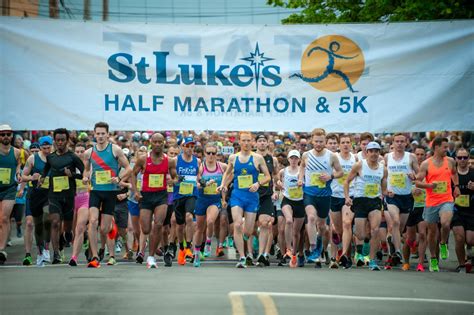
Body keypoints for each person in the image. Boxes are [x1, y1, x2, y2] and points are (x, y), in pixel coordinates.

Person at [82, 122, 132, 268]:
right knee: (92, 222)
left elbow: (128, 168)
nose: (100, 136)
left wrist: (119, 179)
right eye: (98, 133)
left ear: (108, 134)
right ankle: (95, 256)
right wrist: (86, 177)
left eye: (103, 133)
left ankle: (111, 254)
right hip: (96, 191)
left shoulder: (115, 150)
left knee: (104, 228)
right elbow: (86, 170)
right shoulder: (89, 153)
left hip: (110, 192)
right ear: (94, 134)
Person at [218, 132, 271, 268]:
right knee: (237, 224)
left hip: (252, 198)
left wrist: (258, 184)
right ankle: (242, 257)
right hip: (237, 196)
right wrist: (223, 184)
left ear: (251, 142)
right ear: (239, 142)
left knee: (248, 231)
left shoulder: (258, 158)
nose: (246, 143)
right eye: (243, 140)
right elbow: (227, 173)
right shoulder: (233, 158)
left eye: (248, 141)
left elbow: (267, 176)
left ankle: (245, 243)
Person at [131, 133, 177, 268]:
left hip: (161, 196)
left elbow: (176, 178)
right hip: (146, 196)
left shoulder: (169, 160)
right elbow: (133, 174)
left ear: (164, 143)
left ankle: (151, 257)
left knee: (158, 224)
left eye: (160, 142)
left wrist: (172, 181)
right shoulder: (143, 159)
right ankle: (150, 245)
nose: (157, 144)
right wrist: (136, 191)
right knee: (145, 229)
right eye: (155, 142)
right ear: (151, 143)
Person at [298, 128, 343, 265]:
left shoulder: (331, 156)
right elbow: (302, 167)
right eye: (316, 141)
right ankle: (313, 249)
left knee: (323, 227)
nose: (318, 144)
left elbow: (340, 172)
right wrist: (301, 179)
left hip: (325, 194)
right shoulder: (306, 155)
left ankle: (319, 247)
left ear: (325, 141)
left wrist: (330, 176)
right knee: (311, 217)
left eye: (321, 141)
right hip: (309, 192)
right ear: (312, 140)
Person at [40, 128, 84, 264]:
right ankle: (56, 254)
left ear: (67, 141)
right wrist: (42, 177)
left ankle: (66, 236)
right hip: (54, 195)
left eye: (62, 140)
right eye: (57, 140)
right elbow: (46, 168)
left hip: (69, 195)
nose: (60, 142)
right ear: (54, 141)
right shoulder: (51, 157)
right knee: (55, 222)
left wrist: (73, 175)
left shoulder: (73, 157)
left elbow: (84, 174)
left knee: (68, 229)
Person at [415, 137, 460, 272]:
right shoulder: (426, 164)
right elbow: (418, 182)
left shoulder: (450, 161)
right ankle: (433, 259)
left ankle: (443, 243)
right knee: (432, 232)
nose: (447, 149)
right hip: (431, 202)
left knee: (446, 223)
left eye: (447, 147)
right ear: (436, 148)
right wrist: (429, 185)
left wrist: (456, 186)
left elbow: (454, 173)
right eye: (444, 147)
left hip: (446, 198)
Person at [345, 142, 388, 271]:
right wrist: (347, 197)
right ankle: (365, 242)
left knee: (375, 230)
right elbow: (347, 181)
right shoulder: (359, 165)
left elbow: (384, 188)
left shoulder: (383, 169)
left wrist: (387, 193)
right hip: (360, 201)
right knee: (360, 235)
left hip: (375, 201)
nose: (374, 153)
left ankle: (372, 260)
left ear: (379, 153)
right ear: (367, 152)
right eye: (371, 151)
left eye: (376, 151)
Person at [384, 133, 419, 266]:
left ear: (406, 143)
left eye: (402, 141)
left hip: (406, 197)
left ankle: (392, 243)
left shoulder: (411, 157)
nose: (399, 144)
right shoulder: (387, 157)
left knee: (399, 228)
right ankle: (397, 251)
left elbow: (420, 174)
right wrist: (385, 190)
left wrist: (414, 176)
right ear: (392, 143)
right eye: (397, 141)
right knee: (395, 222)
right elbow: (382, 175)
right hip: (392, 196)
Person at [192, 143, 227, 267]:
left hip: (214, 200)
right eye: (209, 153)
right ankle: (196, 254)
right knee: (199, 228)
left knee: (211, 221)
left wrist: (224, 185)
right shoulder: (201, 167)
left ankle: (208, 242)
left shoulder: (222, 166)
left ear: (217, 154)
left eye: (214, 153)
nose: (211, 156)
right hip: (202, 200)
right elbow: (197, 183)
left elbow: (232, 172)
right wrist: (206, 183)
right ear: (205, 154)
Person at [21, 136, 53, 266]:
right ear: (40, 147)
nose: (46, 150)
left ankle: (46, 249)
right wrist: (31, 178)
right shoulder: (33, 158)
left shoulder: (55, 158)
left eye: (48, 147)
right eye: (44, 148)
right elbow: (23, 176)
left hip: (50, 195)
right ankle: (40, 253)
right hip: (35, 195)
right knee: (37, 224)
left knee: (47, 220)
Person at [0, 124, 21, 264]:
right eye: (3, 134)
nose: (5, 137)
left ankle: (1, 249)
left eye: (8, 134)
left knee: (4, 218)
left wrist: (18, 173)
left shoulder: (17, 152)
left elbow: (19, 165)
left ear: (12, 136)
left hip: (10, 189)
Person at [450, 147, 473, 273]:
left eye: (465, 157)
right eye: (460, 157)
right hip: (456, 210)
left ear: (469, 158)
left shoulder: (473, 173)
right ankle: (462, 265)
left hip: (471, 211)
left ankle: (470, 251)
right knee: (459, 238)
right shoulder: (452, 174)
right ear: (456, 159)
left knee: (470, 239)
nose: (462, 160)